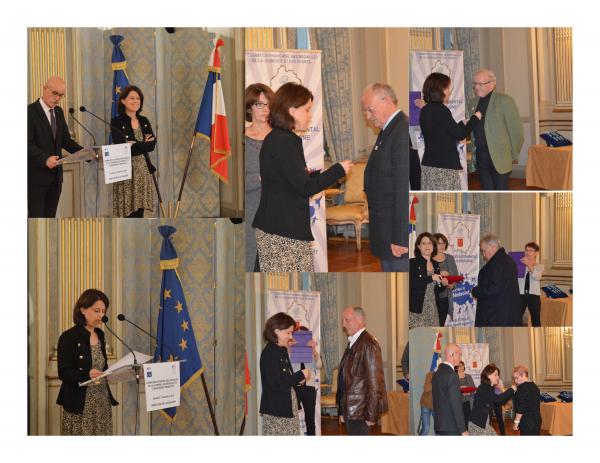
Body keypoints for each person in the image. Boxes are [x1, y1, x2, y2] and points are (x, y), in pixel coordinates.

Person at [252, 82, 352, 271]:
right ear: (292, 110)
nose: (310, 115)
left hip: (280, 227)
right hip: (282, 230)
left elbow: (292, 181)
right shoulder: (283, 142)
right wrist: (337, 170)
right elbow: (305, 188)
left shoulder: (280, 139)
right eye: (307, 110)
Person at [56, 289, 118, 435]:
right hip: (80, 404)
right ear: (83, 310)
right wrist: (87, 373)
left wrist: (114, 373)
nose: (101, 315)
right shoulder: (68, 337)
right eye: (97, 311)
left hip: (102, 400)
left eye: (103, 311)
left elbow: (102, 365)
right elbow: (64, 373)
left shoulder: (100, 335)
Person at [362, 83, 409, 271]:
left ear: (387, 101)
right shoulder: (388, 131)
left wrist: (400, 237)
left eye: (370, 110)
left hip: (395, 237)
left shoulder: (402, 130)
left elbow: (403, 188)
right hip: (385, 231)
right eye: (365, 111)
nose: (367, 116)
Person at [28, 76, 84, 217]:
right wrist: (45, 159)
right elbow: (26, 143)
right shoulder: (29, 112)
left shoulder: (58, 112)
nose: (57, 98)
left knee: (50, 218)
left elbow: (66, 141)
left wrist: (87, 154)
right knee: (37, 221)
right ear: (44, 88)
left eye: (61, 95)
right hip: (36, 178)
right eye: (54, 93)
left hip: (56, 178)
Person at [418, 72, 481, 190]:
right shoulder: (441, 110)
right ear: (440, 89)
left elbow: (443, 132)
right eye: (447, 88)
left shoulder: (425, 110)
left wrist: (462, 123)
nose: (449, 91)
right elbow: (460, 134)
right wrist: (475, 119)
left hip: (429, 166)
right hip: (444, 168)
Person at [467, 69, 524, 190]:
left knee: (501, 191)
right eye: (475, 84)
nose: (476, 87)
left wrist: (512, 155)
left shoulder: (505, 101)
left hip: (501, 156)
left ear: (492, 84)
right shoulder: (472, 103)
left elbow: (517, 132)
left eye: (480, 84)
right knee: (486, 189)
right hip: (480, 156)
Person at [336, 306, 387, 435]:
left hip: (360, 412)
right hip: (352, 410)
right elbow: (345, 379)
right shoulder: (354, 342)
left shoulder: (368, 344)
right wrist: (342, 410)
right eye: (343, 320)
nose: (343, 324)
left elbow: (375, 382)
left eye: (347, 320)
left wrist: (371, 415)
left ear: (359, 320)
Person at [259, 312, 310, 435]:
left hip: (287, 408)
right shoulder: (269, 353)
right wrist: (300, 375)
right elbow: (277, 384)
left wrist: (298, 379)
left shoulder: (281, 350)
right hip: (277, 412)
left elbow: (286, 378)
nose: (290, 336)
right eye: (288, 333)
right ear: (276, 331)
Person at [110, 85, 156, 218]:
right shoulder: (116, 122)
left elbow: (152, 145)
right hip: (125, 172)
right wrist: (142, 144)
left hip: (143, 171)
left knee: (140, 212)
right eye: (132, 98)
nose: (135, 101)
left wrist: (134, 144)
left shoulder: (144, 120)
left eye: (138, 99)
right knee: (128, 213)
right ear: (123, 101)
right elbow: (123, 148)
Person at [244, 83, 274, 271]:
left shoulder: (282, 137)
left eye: (268, 104)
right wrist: (260, 178)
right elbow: (234, 183)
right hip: (251, 213)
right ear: (249, 108)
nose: (265, 110)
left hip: (278, 216)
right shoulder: (241, 139)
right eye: (259, 105)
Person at [472, 234, 522, 326]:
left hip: (496, 315)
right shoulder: (509, 260)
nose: (483, 255)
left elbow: (495, 288)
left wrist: (476, 291)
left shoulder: (496, 264)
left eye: (484, 251)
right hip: (508, 313)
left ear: (493, 247)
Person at [409, 232, 447, 328]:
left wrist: (443, 284)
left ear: (434, 246)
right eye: (424, 243)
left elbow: (437, 289)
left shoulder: (436, 264)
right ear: (418, 246)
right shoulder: (412, 263)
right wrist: (431, 278)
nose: (427, 246)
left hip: (433, 308)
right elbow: (411, 284)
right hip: (417, 310)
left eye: (430, 243)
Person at [468, 364, 515, 436]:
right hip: (477, 425)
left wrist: (511, 392)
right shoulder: (484, 387)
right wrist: (511, 389)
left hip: (483, 424)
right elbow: (498, 400)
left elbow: (500, 402)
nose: (498, 377)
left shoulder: (488, 387)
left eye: (498, 375)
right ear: (488, 376)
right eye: (495, 375)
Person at [431, 343, 468, 436]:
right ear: (452, 355)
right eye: (459, 354)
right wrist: (463, 429)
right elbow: (456, 404)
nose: (460, 358)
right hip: (452, 426)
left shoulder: (436, 374)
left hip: (440, 425)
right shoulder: (452, 375)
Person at [292, 326, 322, 436]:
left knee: (310, 418)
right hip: (295, 387)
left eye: (302, 336)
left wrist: (313, 350)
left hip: (309, 387)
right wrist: (291, 348)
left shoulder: (311, 349)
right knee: (292, 416)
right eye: (297, 336)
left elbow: (319, 365)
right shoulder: (291, 349)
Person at [433, 232, 459, 326]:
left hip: (445, 299)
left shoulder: (450, 258)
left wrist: (452, 285)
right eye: (439, 243)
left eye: (443, 243)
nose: (441, 246)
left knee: (441, 325)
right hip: (432, 299)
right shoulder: (429, 259)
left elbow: (455, 277)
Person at [519, 242, 544, 327]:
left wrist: (529, 265)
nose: (528, 252)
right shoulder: (520, 265)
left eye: (531, 250)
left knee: (536, 320)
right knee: (517, 318)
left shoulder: (540, 266)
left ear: (536, 253)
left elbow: (537, 277)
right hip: (520, 295)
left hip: (534, 296)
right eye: (526, 250)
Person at [512, 365, 541, 435]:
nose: (515, 381)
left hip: (527, 422)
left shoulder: (521, 388)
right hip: (537, 420)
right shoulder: (534, 386)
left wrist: (516, 423)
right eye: (514, 379)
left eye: (516, 378)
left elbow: (520, 408)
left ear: (524, 375)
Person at [455, 361, 476, 425]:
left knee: (467, 420)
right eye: (459, 366)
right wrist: (461, 389)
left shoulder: (468, 376)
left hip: (468, 401)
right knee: (459, 421)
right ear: (456, 368)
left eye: (462, 365)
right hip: (458, 402)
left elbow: (473, 388)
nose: (461, 367)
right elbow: (452, 390)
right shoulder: (454, 377)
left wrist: (469, 393)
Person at [418, 371, 434, 436]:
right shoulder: (430, 374)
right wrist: (436, 380)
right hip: (426, 405)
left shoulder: (444, 376)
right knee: (426, 429)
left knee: (438, 430)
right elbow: (426, 388)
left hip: (437, 406)